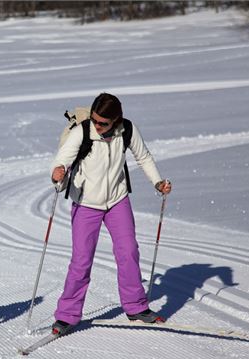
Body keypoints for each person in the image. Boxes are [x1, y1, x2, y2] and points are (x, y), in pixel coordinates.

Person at [50, 93, 172, 335]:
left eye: (103, 123)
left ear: (116, 120)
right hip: (86, 203)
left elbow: (143, 157)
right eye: (95, 120)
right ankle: (67, 316)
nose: (97, 126)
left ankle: (136, 307)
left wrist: (158, 182)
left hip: (117, 200)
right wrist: (59, 171)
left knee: (128, 252)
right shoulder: (82, 132)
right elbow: (61, 160)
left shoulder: (126, 130)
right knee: (81, 261)